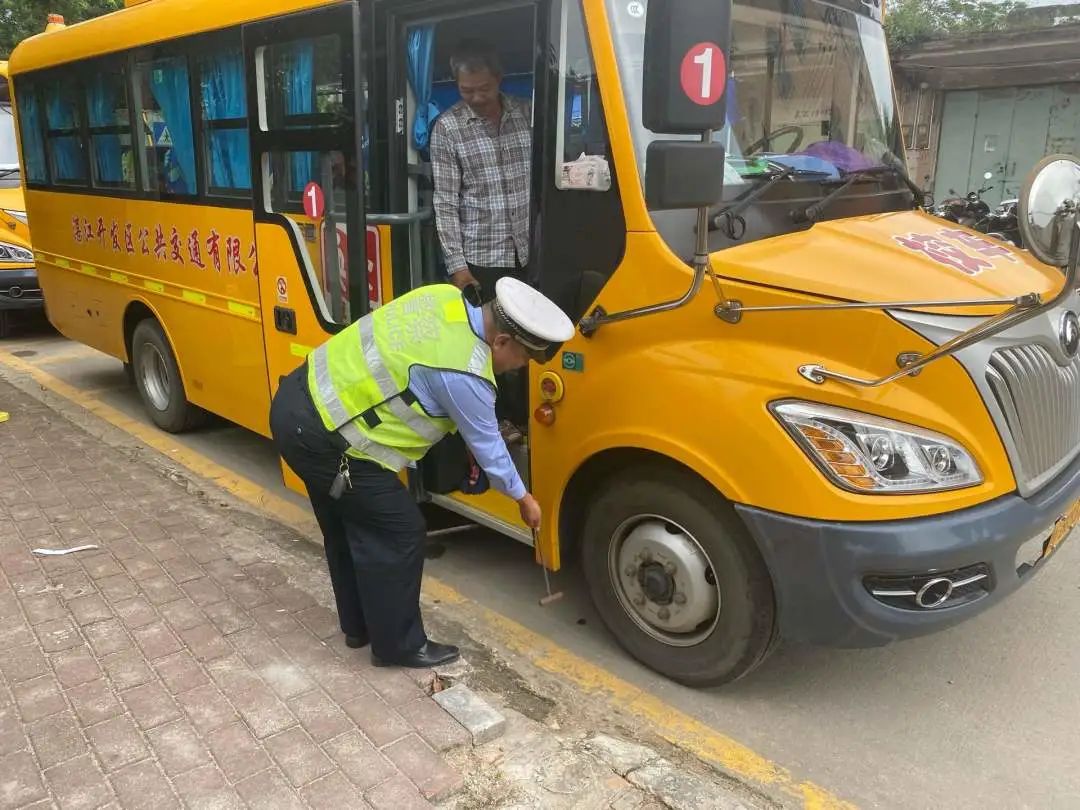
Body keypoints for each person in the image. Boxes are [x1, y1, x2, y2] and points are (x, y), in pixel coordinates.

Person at [269, 278, 574, 668]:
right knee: (400, 530)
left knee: (349, 524)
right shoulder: (467, 374)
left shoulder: (443, 298)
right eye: (524, 358)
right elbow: (492, 453)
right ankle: (398, 645)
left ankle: (360, 627)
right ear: (500, 342)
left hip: (298, 398)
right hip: (325, 439)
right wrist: (524, 499)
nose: (519, 369)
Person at [430, 38, 532, 302]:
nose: (476, 97)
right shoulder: (447, 128)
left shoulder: (527, 112)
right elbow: (446, 203)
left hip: (531, 251)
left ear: (499, 78)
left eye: (484, 88)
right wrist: (458, 268)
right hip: (483, 258)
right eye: (466, 90)